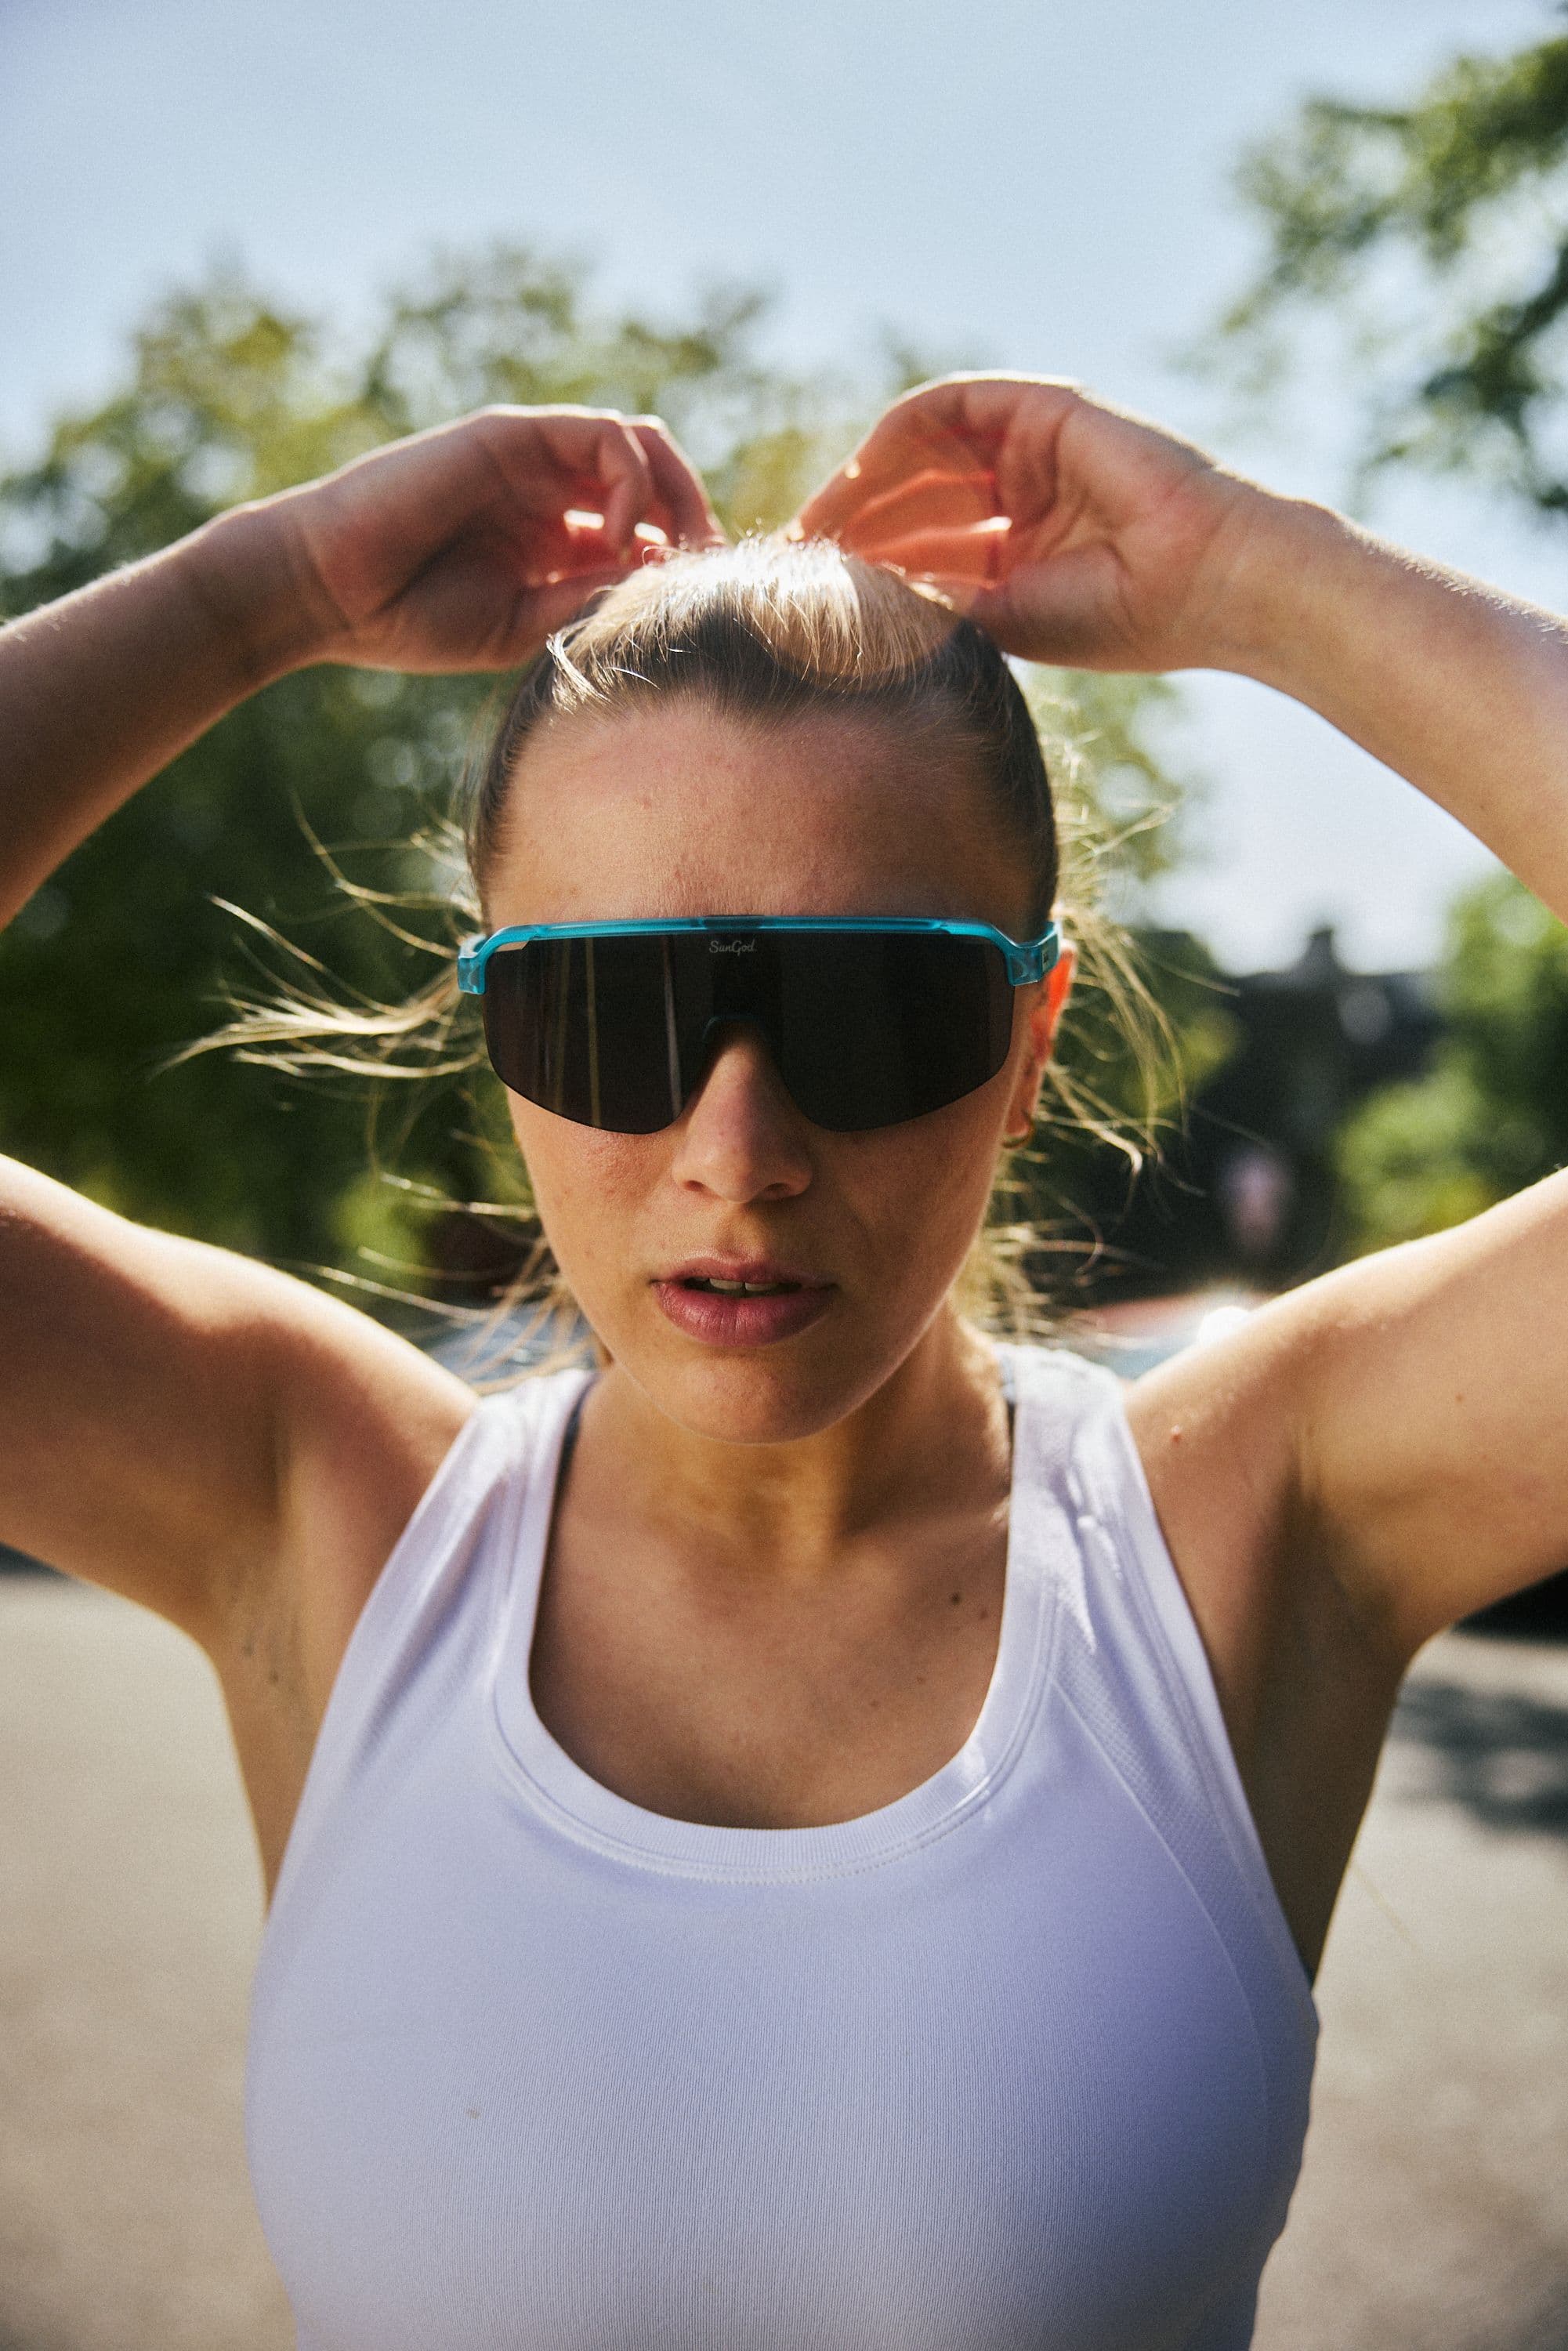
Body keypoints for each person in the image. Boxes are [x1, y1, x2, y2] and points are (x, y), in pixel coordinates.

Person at [2, 375, 1566, 2351]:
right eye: (603, 1010)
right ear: (486, 1023)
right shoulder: (320, 1504)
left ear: (1025, 1040)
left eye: (878, 1005)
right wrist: (261, 592)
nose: (734, 1154)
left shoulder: (1253, 1523)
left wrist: (1270, 580)